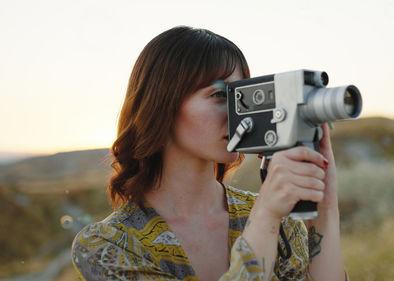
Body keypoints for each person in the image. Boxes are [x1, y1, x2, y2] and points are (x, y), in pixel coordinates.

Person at [72, 26, 348, 281]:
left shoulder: (280, 220)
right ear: (162, 104)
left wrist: (324, 206)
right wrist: (265, 217)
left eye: (243, 97)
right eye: (219, 95)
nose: (237, 113)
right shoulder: (108, 244)